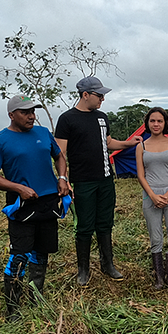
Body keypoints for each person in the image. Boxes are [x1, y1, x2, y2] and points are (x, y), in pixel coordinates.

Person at [0, 95, 70, 322]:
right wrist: (18, 188)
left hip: (49, 201)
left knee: (41, 252)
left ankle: (36, 295)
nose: (31, 116)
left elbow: (59, 156)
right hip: (21, 204)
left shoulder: (43, 133)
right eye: (25, 112)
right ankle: (12, 308)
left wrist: (62, 177)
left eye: (33, 111)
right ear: (11, 115)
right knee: (19, 254)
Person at [54, 76, 142, 287]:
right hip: (83, 182)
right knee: (84, 226)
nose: (102, 99)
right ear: (85, 95)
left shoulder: (102, 117)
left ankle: (107, 264)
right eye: (99, 95)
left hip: (105, 180)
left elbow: (109, 142)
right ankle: (83, 269)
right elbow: (60, 152)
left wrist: (130, 143)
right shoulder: (67, 119)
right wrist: (63, 179)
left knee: (105, 223)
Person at [135, 107, 168, 291]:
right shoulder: (141, 146)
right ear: (147, 123)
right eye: (152, 121)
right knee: (155, 238)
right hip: (150, 195)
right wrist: (153, 196)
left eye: (160, 121)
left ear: (165, 123)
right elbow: (141, 175)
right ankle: (159, 280)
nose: (156, 124)